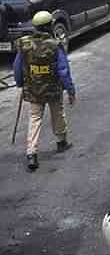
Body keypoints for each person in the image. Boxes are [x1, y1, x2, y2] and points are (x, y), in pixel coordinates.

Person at [13, 11, 76, 171]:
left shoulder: (24, 44)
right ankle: (61, 142)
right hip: (53, 90)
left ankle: (31, 153)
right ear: (49, 26)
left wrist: (20, 83)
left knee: (34, 119)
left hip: (33, 90)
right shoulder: (55, 45)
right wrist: (70, 90)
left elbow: (17, 67)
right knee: (58, 115)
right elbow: (63, 71)